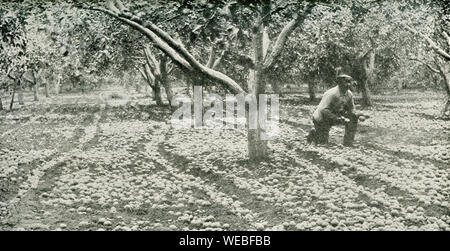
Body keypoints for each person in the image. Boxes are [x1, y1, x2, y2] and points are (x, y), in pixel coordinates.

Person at [306, 74, 368, 147]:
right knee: (322, 143)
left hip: (336, 114)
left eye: (349, 82)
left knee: (353, 118)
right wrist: (337, 118)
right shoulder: (331, 93)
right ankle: (314, 134)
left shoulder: (349, 94)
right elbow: (323, 110)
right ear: (340, 83)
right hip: (322, 118)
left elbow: (351, 109)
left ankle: (348, 142)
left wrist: (358, 115)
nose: (348, 84)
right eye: (346, 82)